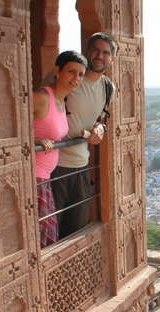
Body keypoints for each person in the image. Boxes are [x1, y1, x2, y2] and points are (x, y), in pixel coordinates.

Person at [51, 32, 117, 239]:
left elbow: (101, 120)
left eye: (106, 52)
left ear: (111, 58)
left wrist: (100, 129)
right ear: (87, 51)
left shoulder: (108, 87)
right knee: (49, 231)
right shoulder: (69, 80)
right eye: (95, 50)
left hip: (81, 165)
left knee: (76, 229)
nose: (99, 56)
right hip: (54, 167)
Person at [34, 51, 87, 247]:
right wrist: (34, 139)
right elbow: (10, 123)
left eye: (80, 74)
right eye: (71, 72)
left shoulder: (61, 102)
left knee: (47, 233)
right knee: (43, 235)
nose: (76, 78)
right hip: (34, 177)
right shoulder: (41, 97)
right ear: (57, 70)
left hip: (45, 177)